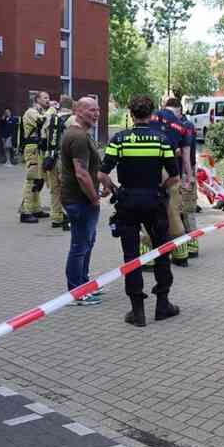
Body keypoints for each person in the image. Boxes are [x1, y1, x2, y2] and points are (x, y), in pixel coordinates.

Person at [98, 94, 182, 327]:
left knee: (131, 255)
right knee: (161, 251)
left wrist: (114, 189)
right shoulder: (161, 140)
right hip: (154, 201)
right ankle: (163, 304)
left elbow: (102, 173)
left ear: (131, 114)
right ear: (152, 114)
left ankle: (137, 311)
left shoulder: (120, 140)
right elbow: (174, 176)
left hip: (127, 201)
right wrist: (160, 188)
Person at [59, 97, 105, 305]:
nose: (96, 114)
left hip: (82, 199)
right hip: (80, 200)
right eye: (90, 110)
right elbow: (81, 173)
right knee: (79, 246)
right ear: (78, 111)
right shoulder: (77, 137)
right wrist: (94, 198)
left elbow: (93, 170)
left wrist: (106, 185)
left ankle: (84, 284)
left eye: (97, 110)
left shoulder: (82, 135)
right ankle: (76, 291)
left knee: (87, 243)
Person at [147, 97, 191, 267]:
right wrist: (188, 177)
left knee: (148, 209)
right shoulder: (182, 126)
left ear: (164, 106)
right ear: (178, 109)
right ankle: (180, 255)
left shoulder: (150, 117)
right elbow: (186, 157)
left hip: (149, 169)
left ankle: (148, 257)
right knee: (173, 210)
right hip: (171, 170)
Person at [163, 97, 201, 258]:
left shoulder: (184, 126)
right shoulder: (179, 126)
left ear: (179, 110)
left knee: (186, 211)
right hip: (179, 173)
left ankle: (189, 247)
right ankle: (188, 247)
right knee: (181, 211)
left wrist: (189, 177)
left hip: (183, 173)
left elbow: (184, 154)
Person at [17, 91, 52, 223]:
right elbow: (42, 122)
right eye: (45, 98)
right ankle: (25, 211)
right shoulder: (31, 112)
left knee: (39, 180)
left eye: (48, 97)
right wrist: (52, 110)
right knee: (31, 179)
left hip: (39, 150)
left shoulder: (41, 111)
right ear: (37, 100)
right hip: (32, 149)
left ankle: (35, 208)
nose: (48, 100)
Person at [44, 96, 75, 231]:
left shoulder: (51, 118)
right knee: (68, 189)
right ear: (72, 106)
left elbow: (44, 136)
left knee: (54, 189)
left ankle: (56, 217)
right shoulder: (73, 120)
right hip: (65, 159)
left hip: (50, 158)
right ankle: (68, 218)